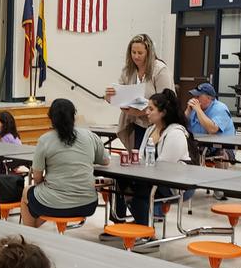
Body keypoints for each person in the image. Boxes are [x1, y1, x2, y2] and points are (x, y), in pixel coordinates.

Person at [112, 89, 198, 230]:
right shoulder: (150, 130)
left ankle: (146, 232)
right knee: (119, 181)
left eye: (151, 109)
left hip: (175, 184)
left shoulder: (175, 133)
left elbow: (163, 168)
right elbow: (140, 157)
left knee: (138, 190)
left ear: (163, 113)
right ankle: (119, 224)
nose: (147, 112)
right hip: (154, 179)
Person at [21, 98, 108, 228]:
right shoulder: (90, 136)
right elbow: (105, 161)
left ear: (51, 118)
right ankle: (34, 230)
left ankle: (28, 235)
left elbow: (37, 177)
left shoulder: (45, 140)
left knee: (27, 192)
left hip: (53, 204)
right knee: (49, 201)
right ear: (74, 116)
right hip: (87, 204)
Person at [105, 33, 173, 150]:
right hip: (136, 124)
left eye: (140, 53)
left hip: (157, 126)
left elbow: (166, 101)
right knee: (138, 159)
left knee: (151, 158)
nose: (136, 56)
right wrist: (110, 96)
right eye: (133, 52)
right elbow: (119, 92)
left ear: (149, 53)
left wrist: (141, 111)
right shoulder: (128, 70)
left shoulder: (160, 69)